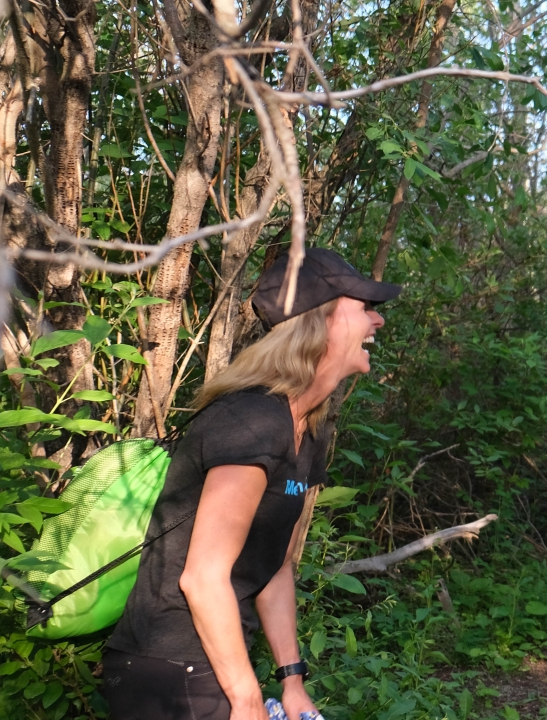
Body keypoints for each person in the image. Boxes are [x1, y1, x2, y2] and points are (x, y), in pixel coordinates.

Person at [103, 248, 399, 720]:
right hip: (169, 666)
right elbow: (202, 577)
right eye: (364, 306)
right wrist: (245, 699)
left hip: (210, 661)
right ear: (321, 321)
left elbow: (275, 565)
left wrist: (292, 680)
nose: (377, 320)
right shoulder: (252, 421)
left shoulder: (306, 429)